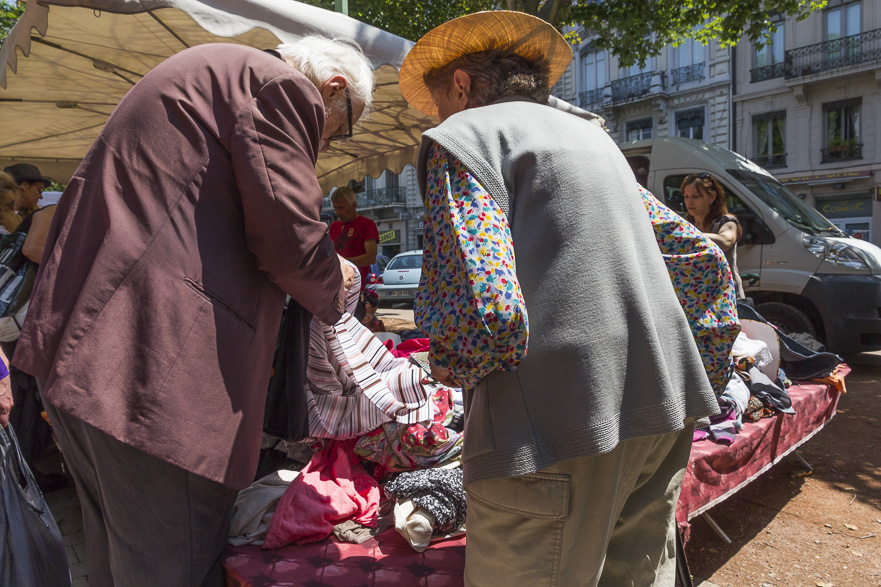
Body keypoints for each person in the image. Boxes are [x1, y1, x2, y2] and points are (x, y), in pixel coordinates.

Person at [12, 37, 373, 586]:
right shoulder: (279, 86)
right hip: (156, 373)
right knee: (173, 564)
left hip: (93, 359)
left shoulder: (215, 75)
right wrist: (335, 277)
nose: (331, 140)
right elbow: (289, 239)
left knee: (122, 559)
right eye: (342, 126)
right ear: (334, 89)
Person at [400, 11, 722, 586]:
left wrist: (449, 372)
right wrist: (704, 369)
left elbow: (487, 310)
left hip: (553, 428)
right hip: (663, 409)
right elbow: (702, 263)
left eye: (438, 103)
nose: (438, 118)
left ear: (461, 87)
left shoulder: (462, 137)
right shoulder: (596, 140)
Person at [681, 172, 745, 298]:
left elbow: (725, 241)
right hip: (698, 298)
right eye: (686, 196)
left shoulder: (727, 221)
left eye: (695, 196)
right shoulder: (685, 224)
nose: (689, 202)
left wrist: (689, 235)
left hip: (727, 297)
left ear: (712, 197)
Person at [329, 185, 379, 291]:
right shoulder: (334, 226)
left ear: (354, 205)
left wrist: (342, 263)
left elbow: (370, 258)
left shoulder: (367, 224)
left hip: (355, 287)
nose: (338, 212)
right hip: (334, 286)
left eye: (341, 208)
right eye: (335, 208)